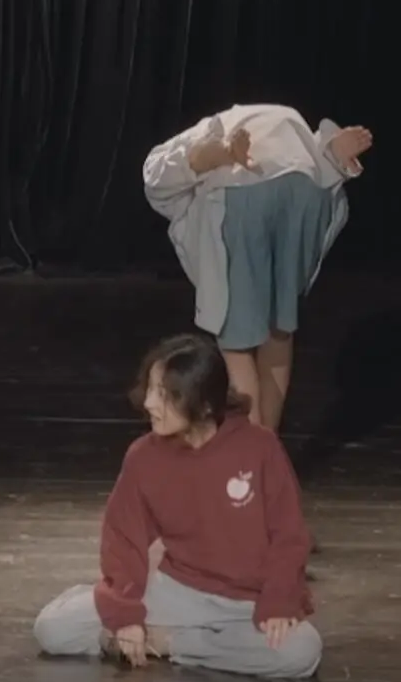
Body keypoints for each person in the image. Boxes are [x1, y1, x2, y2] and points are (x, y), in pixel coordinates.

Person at [32, 333, 322, 680]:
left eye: (165, 395)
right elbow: (122, 540)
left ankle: (167, 644)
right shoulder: (144, 456)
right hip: (178, 592)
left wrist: (278, 601)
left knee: (300, 652)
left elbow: (289, 536)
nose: (149, 403)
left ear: (204, 404)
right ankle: (134, 636)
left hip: (248, 602)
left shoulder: (260, 447)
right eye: (151, 390)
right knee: (54, 629)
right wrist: (124, 613)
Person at [142, 103, 372, 434]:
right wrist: (332, 158)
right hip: (305, 182)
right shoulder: (270, 117)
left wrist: (215, 155)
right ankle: (267, 444)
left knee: (236, 343)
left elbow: (158, 176)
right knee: (279, 329)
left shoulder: (204, 132)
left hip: (242, 190)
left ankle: (250, 450)